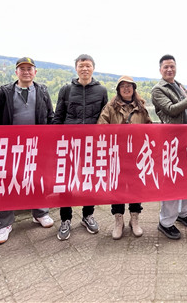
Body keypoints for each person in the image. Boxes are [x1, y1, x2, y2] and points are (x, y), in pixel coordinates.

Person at [0, 57, 55, 245]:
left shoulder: (42, 91)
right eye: (22, 69)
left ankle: (40, 213)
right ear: (16, 72)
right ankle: (5, 223)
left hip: (36, 145)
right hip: (10, 146)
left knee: (37, 179)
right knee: (7, 181)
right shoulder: (4, 92)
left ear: (35, 72)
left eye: (29, 69)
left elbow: (50, 117)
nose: (26, 72)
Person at [53, 54, 109, 240]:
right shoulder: (66, 89)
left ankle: (88, 215)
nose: (85, 69)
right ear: (76, 68)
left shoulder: (101, 90)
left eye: (88, 65)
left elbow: (105, 118)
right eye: (81, 66)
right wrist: (56, 140)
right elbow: (58, 116)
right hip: (69, 143)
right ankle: (65, 219)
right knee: (65, 181)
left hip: (92, 143)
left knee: (89, 179)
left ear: (93, 68)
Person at [151, 54, 187, 240]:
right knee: (172, 180)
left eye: (172, 66)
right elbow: (172, 110)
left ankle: (183, 213)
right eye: (166, 67)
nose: (169, 69)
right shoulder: (158, 90)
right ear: (160, 70)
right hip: (171, 142)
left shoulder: (180, 85)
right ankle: (166, 222)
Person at [98, 76, 153, 239]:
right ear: (118, 89)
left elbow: (149, 127)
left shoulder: (141, 107)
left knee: (136, 187)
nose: (126, 88)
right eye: (123, 86)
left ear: (134, 89)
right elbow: (101, 127)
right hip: (116, 154)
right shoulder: (110, 107)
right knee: (117, 187)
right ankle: (119, 220)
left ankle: (134, 219)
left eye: (129, 86)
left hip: (136, 155)